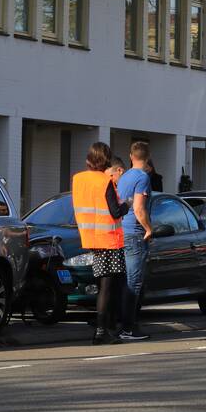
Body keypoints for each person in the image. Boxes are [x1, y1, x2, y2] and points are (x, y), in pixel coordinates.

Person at [72, 142, 129, 345]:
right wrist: (126, 206)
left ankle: (102, 329)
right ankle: (103, 329)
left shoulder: (78, 179)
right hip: (109, 239)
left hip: (91, 238)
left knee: (101, 285)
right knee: (108, 287)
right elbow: (114, 211)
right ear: (106, 159)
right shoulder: (105, 181)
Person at [116, 141, 154, 342]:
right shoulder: (142, 177)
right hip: (134, 233)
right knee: (134, 281)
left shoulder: (124, 177)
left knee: (125, 280)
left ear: (131, 156)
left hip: (121, 231)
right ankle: (128, 327)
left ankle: (122, 323)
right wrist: (149, 228)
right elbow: (139, 208)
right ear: (147, 157)